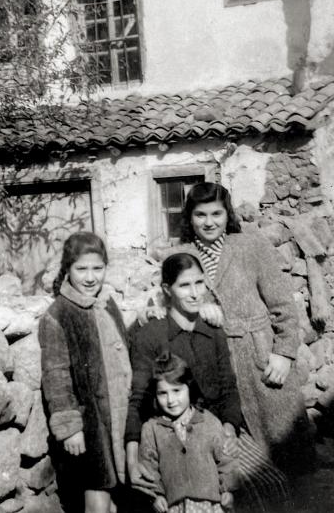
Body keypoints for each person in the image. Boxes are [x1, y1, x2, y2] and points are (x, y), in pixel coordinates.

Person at [126, 251, 289, 513]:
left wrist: (228, 429)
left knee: (272, 484)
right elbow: (136, 401)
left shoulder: (212, 329)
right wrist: (133, 460)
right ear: (167, 290)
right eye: (184, 286)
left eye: (199, 283)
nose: (194, 293)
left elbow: (228, 388)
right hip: (170, 433)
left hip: (215, 428)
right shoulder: (152, 333)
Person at [179, 181, 315, 481]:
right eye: (201, 215)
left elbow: (283, 306)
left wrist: (284, 354)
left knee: (288, 452)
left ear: (228, 215)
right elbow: (171, 309)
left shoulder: (250, 246)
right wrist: (194, 309)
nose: (209, 222)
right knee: (240, 468)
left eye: (217, 213)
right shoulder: (182, 258)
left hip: (262, 360)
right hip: (214, 370)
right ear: (190, 217)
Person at [38, 231, 132, 513]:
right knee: (97, 489)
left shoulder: (106, 303)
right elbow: (56, 375)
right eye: (81, 269)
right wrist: (70, 428)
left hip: (120, 413)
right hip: (88, 421)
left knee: (117, 491)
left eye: (97, 268)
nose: (90, 277)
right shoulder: (58, 315)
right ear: (67, 269)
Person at [138, 352, 239, 513]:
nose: (171, 400)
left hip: (211, 506)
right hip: (174, 508)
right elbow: (148, 468)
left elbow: (225, 460)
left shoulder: (208, 421)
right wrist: (155, 496)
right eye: (163, 393)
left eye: (177, 391)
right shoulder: (151, 429)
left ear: (189, 388)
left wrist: (227, 490)